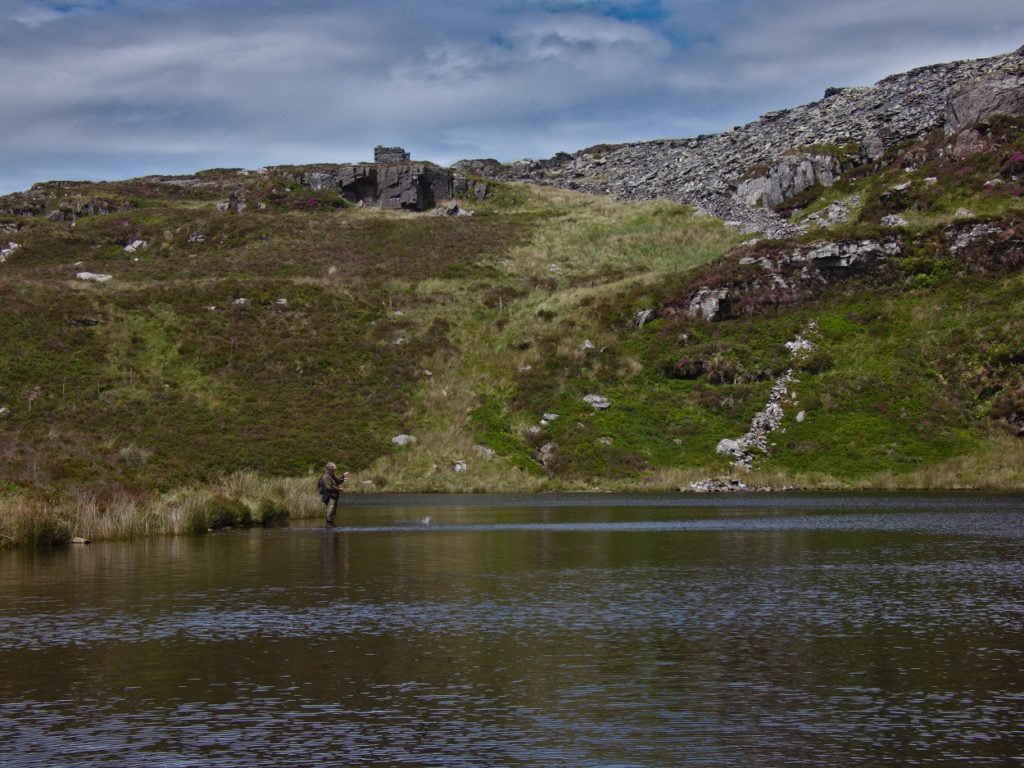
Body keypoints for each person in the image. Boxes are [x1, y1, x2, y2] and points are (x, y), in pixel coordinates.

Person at [320, 462, 350, 526]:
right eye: (334, 470)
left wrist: (343, 476)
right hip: (330, 497)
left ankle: (331, 528)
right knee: (330, 513)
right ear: (330, 469)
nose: (334, 471)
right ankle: (329, 529)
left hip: (334, 496)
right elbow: (329, 487)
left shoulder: (332, 475)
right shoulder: (326, 476)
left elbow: (337, 482)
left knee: (333, 513)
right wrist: (338, 489)